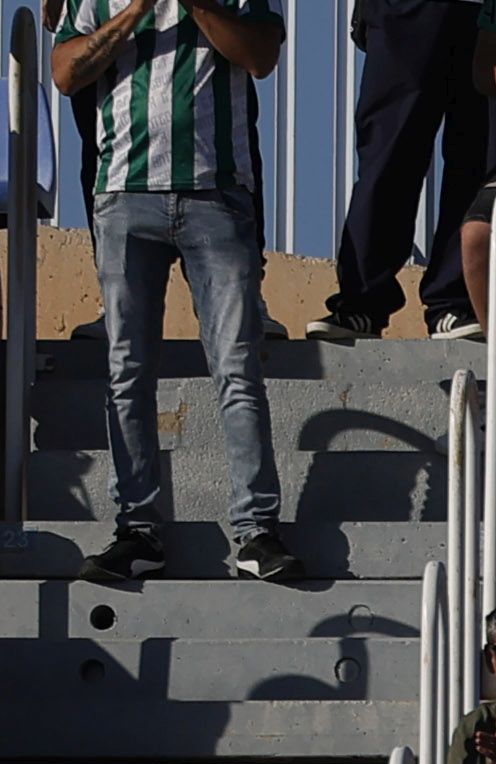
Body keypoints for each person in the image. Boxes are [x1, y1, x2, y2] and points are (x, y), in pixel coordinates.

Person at [62, 0, 287, 592]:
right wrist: (135, 11)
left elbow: (262, 55)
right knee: (126, 371)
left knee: (237, 366)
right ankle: (138, 530)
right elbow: (65, 72)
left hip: (217, 193)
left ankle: (256, 529)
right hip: (123, 194)